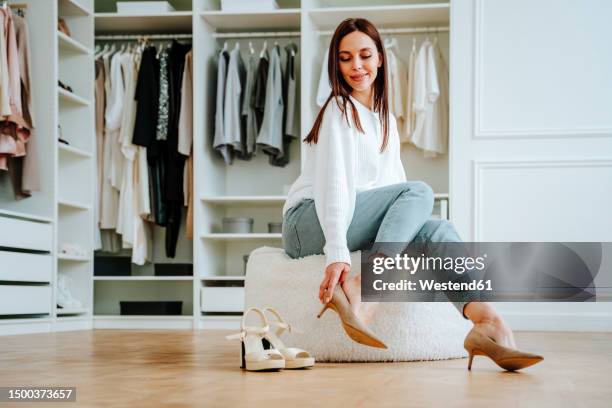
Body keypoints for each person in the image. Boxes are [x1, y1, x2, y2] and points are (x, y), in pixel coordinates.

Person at [281, 18, 543, 371]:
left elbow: (398, 194)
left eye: (364, 55)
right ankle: (365, 286)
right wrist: (337, 254)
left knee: (435, 228)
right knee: (420, 191)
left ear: (380, 59)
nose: (356, 66)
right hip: (306, 221)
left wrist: (413, 225)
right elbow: (335, 185)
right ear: (335, 64)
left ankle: (488, 322)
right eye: (345, 58)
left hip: (355, 213)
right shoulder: (338, 110)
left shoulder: (384, 118)